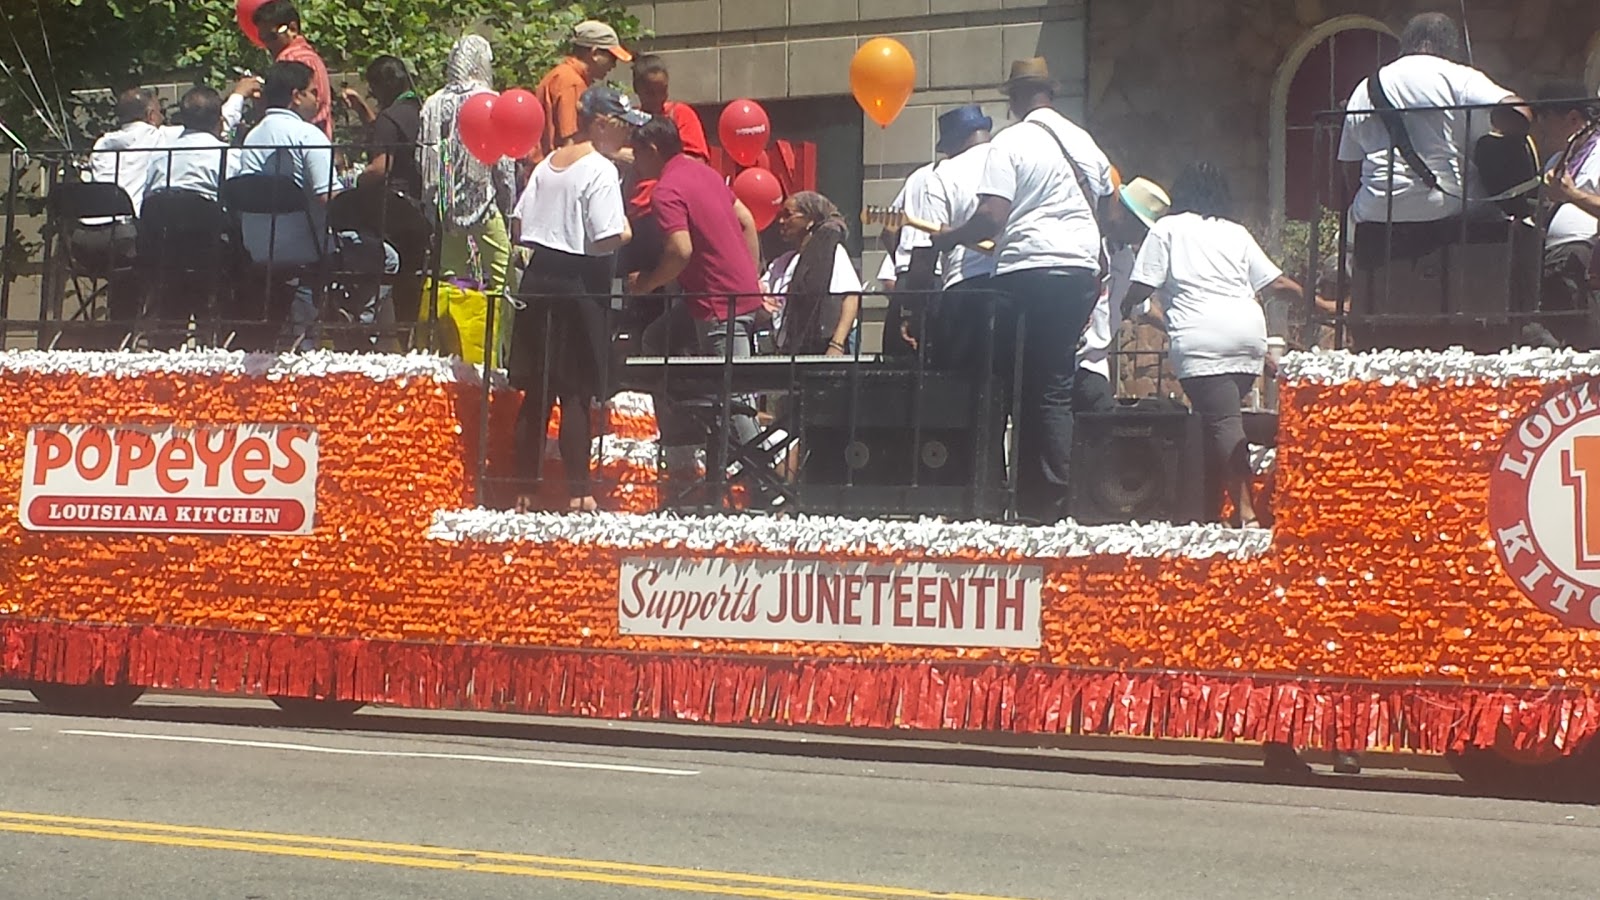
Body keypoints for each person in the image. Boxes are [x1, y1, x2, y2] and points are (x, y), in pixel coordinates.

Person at [932, 58, 1114, 524]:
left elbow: (992, 217)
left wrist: (949, 237)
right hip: (1079, 272)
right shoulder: (1084, 140)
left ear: (1013, 99)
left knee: (1011, 386)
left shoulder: (1009, 142)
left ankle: (1013, 499)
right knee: (1052, 385)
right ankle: (1052, 500)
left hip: (1027, 268)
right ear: (1049, 93)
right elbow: (1111, 212)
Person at [1121, 163, 1303, 528]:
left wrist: (1127, 303)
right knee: (1216, 421)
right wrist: (1320, 304)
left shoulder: (1167, 229)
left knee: (1221, 422)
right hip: (1248, 336)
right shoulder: (1235, 232)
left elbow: (1143, 285)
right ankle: (1200, 511)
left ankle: (1246, 512)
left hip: (1203, 339)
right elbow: (1276, 283)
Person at [509, 85, 640, 514]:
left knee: (537, 391)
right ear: (600, 124)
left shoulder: (546, 164)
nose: (626, 138)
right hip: (579, 282)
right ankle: (580, 493)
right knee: (575, 393)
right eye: (622, 127)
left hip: (537, 277)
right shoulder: (600, 170)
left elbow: (519, 222)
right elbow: (606, 238)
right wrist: (628, 232)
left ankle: (523, 490)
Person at [628, 115, 764, 504]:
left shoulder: (666, 189)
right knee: (658, 339)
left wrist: (646, 283)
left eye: (638, 154)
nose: (636, 163)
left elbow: (680, 251)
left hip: (717, 304)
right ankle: (684, 445)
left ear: (653, 151)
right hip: (725, 299)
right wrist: (751, 281)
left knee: (735, 402)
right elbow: (747, 220)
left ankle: (767, 490)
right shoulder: (704, 173)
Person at [236, 61, 397, 350]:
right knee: (386, 255)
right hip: (307, 249)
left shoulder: (252, 136)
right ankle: (357, 329)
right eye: (313, 91)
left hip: (258, 249)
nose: (319, 98)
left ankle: (341, 316)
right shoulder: (307, 135)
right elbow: (329, 199)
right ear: (296, 96)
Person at [1338, 13, 1528, 228]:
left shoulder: (1364, 88)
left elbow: (1350, 166)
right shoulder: (1460, 77)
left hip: (1376, 208)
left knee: (1350, 230)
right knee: (1501, 217)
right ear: (1450, 46)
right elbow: (1519, 112)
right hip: (1447, 204)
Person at [419, 35, 518, 296]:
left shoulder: (433, 103)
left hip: (445, 203)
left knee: (450, 280)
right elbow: (503, 166)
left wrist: (433, 203)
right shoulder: (491, 101)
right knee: (504, 276)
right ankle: (500, 333)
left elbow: (425, 159)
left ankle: (447, 334)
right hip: (484, 203)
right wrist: (509, 209)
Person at [903, 105, 994, 368]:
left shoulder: (943, 174)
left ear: (954, 141)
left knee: (962, 393)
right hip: (1019, 284)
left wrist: (913, 312)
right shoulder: (1014, 160)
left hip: (966, 291)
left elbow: (924, 252)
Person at [1075, 177, 1170, 412]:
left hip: (1094, 364)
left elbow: (1140, 307)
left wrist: (1175, 330)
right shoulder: (1088, 243)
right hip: (1071, 358)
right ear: (1124, 215)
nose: (1142, 235)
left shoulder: (1126, 258)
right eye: (1141, 227)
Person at [1532, 82, 1600, 348]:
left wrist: (1572, 195)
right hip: (1545, 258)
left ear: (1573, 118)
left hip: (1581, 258)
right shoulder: (1556, 160)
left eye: (1546, 118)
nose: (1542, 128)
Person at [763, 192, 861, 356]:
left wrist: (836, 345)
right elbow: (762, 292)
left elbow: (851, 297)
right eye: (780, 216)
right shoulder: (782, 262)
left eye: (788, 215)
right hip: (788, 349)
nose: (781, 221)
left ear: (810, 220)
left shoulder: (831, 253)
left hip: (820, 345)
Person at [533, 21, 631, 163]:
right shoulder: (572, 83)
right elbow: (572, 143)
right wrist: (615, 154)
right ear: (595, 53)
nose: (614, 65)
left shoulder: (561, 74)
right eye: (612, 58)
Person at [341, 56, 424, 201]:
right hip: (420, 196)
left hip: (395, 202)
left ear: (382, 87)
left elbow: (380, 169)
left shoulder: (389, 117)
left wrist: (354, 181)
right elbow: (387, 134)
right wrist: (361, 109)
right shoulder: (421, 108)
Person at [253, 0, 333, 139]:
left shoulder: (289, 58)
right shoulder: (312, 57)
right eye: (263, 38)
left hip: (295, 145)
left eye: (272, 36)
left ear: (293, 28)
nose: (267, 44)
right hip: (316, 141)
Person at [631, 55, 708, 160]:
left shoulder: (680, 114)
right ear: (636, 88)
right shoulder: (629, 120)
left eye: (662, 90)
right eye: (650, 93)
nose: (658, 98)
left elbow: (699, 160)